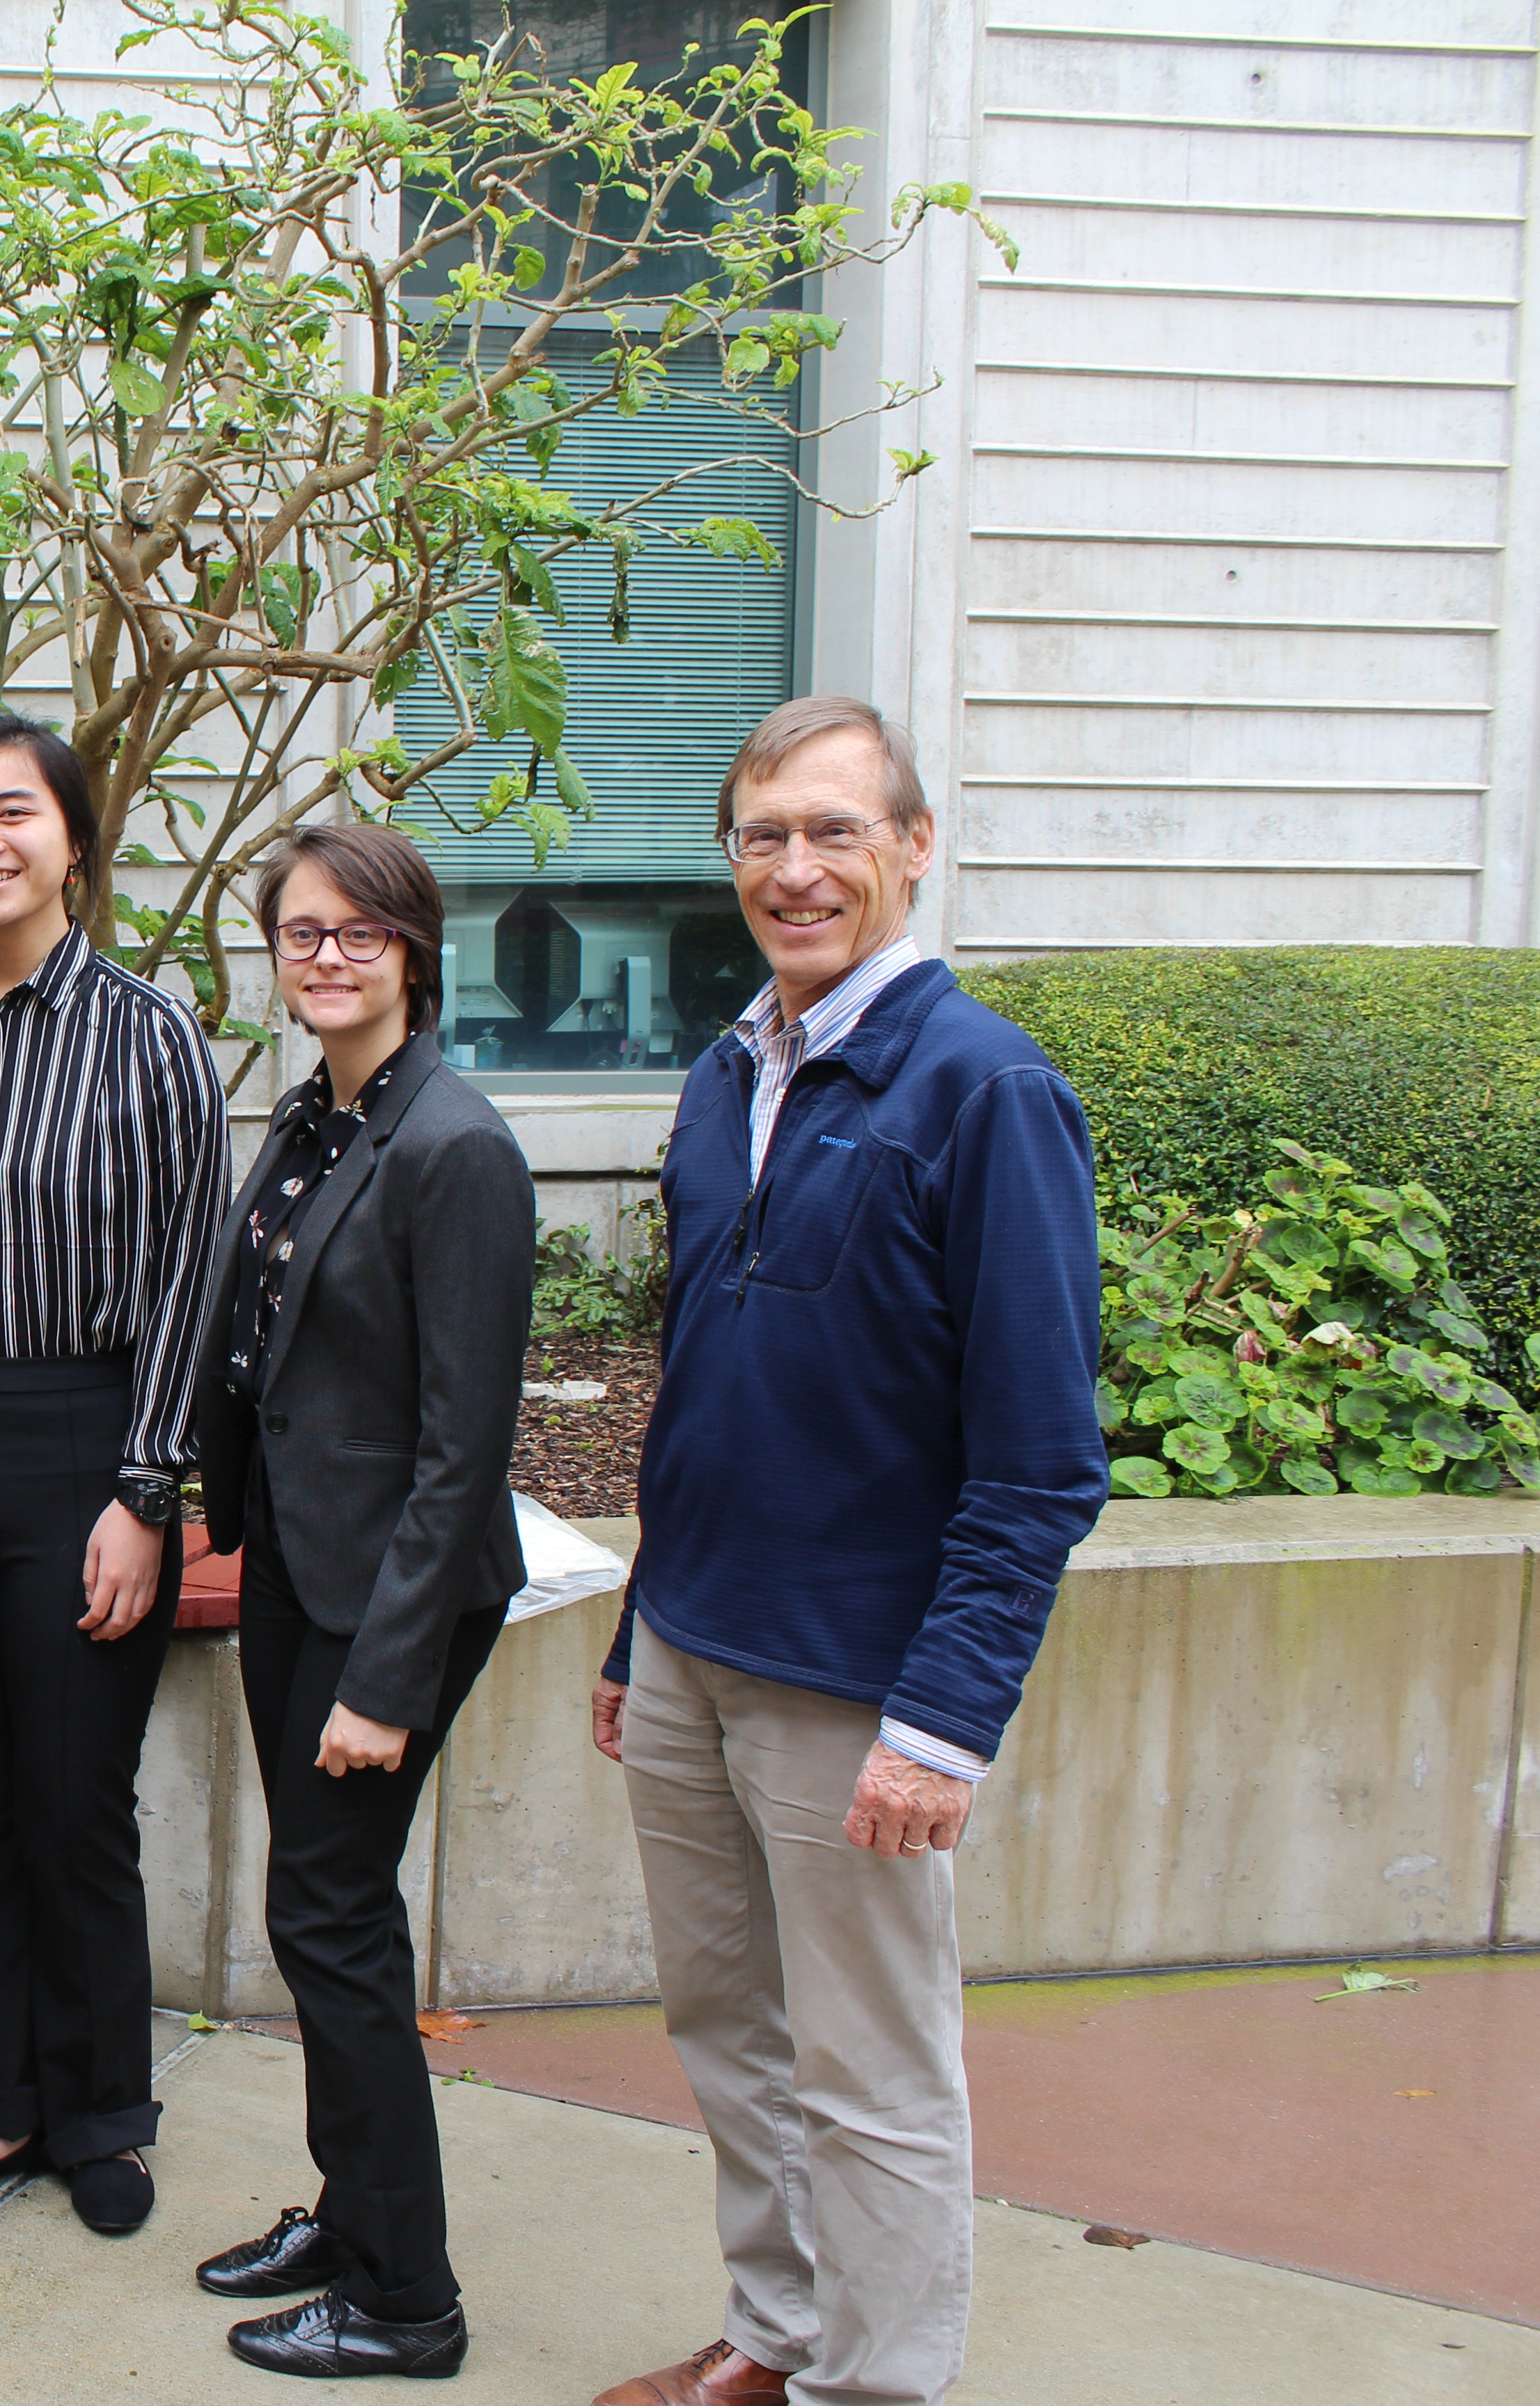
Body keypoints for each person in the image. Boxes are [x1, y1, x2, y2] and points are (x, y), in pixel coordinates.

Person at [587, 698, 1106, 2406]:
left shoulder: (986, 1088)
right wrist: (631, 1629)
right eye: (762, 837)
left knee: (874, 2074)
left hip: (853, 1683)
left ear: (913, 845)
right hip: (692, 1646)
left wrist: (943, 1721)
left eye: (831, 832)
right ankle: (777, 2336)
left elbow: (1040, 1463)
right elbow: (703, 1379)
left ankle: (874, 2387)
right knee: (730, 2037)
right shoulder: (737, 1064)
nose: (794, 870)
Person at [0, 709, 228, 2237]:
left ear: (75, 837)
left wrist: (147, 1496)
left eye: (14, 812)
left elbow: (190, 1281)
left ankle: (103, 2109)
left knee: (78, 1803)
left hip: (84, 1452)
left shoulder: (147, 1032)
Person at [183, 821, 533, 2380]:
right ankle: (355, 2212)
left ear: (416, 951)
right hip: (296, 1568)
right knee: (321, 1913)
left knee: (330, 1922)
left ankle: (408, 2301)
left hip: (388, 1597)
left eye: (359, 936)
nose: (326, 958)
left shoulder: (455, 1148)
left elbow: (468, 1451)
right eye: (303, 934)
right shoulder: (319, 1117)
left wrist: (385, 1683)